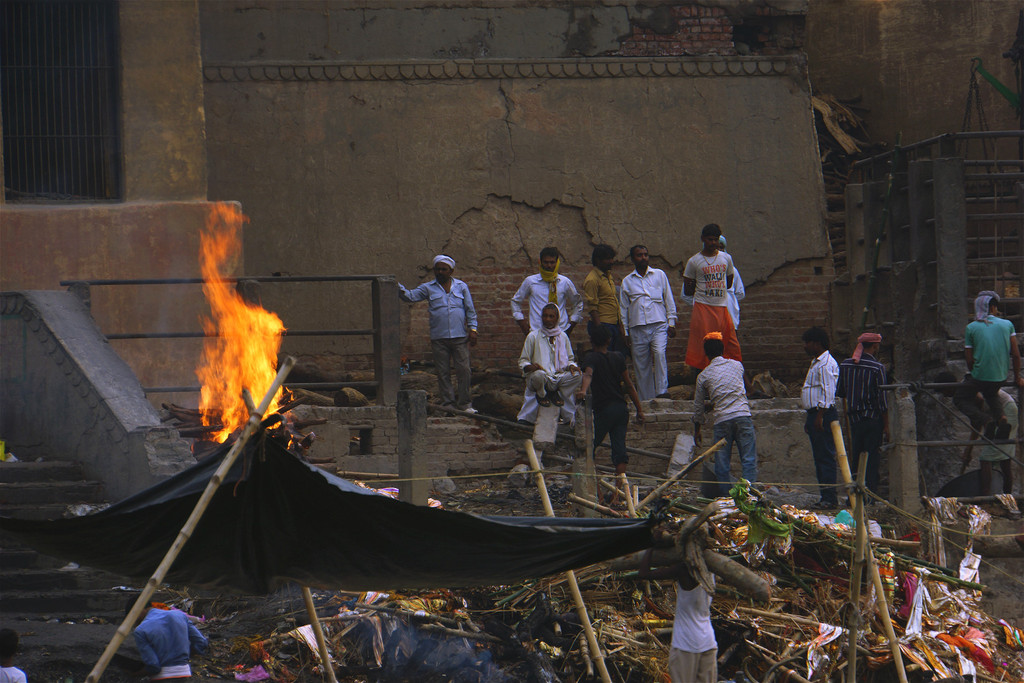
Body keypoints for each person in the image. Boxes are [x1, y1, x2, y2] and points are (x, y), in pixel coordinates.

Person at [399, 254, 479, 413]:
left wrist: (473, 329)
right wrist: (396, 287)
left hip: (459, 337)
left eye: (444, 269)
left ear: (451, 271)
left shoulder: (461, 286)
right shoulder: (428, 288)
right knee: (443, 372)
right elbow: (410, 296)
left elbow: (470, 310)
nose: (440, 272)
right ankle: (448, 403)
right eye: (438, 269)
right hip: (439, 338)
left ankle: (464, 403)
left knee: (464, 370)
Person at [576, 325, 645, 499]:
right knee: (619, 451)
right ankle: (617, 495)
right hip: (621, 410)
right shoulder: (618, 357)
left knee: (589, 450)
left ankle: (597, 492)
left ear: (592, 341)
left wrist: (583, 391)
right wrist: (640, 409)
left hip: (604, 410)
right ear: (609, 340)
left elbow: (588, 375)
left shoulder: (591, 358)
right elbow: (629, 385)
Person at [692, 332, 758, 495]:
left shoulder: (703, 376)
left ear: (706, 354)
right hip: (742, 416)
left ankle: (726, 499)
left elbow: (698, 407)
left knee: (722, 464)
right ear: (723, 350)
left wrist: (697, 430)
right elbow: (746, 389)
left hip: (722, 420)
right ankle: (749, 497)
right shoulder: (737, 365)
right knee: (748, 460)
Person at [638, 548, 717, 683]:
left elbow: (644, 573)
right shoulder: (711, 569)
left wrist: (650, 548)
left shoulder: (684, 570)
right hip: (708, 641)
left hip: (686, 643)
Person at [958, 290, 1024, 438]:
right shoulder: (1008, 324)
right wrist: (1017, 377)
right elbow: (1016, 354)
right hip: (1000, 376)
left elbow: (969, 359)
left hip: (980, 377)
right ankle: (1002, 419)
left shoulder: (971, 328)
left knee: (960, 398)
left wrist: (973, 372)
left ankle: (985, 420)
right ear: (993, 308)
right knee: (991, 393)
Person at [619, 244, 677, 400]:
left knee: (659, 354)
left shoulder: (659, 275)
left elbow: (668, 299)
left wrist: (671, 322)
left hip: (659, 324)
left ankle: (662, 391)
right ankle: (647, 399)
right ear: (633, 259)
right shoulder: (627, 281)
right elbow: (623, 309)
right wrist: (624, 331)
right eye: (639, 255)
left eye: (645, 254)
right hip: (637, 328)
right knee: (641, 364)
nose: (643, 257)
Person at [682, 224, 742, 370]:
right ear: (703, 239)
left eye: (716, 240)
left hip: (722, 308)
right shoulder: (694, 261)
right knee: (704, 349)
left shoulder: (726, 259)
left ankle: (731, 379)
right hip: (703, 309)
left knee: (730, 346)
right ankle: (704, 383)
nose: (713, 243)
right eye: (710, 239)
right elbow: (688, 290)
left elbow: (728, 283)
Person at [836, 332, 889, 498]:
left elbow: (841, 392)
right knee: (871, 460)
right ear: (875, 346)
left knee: (855, 458)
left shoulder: (845, 365)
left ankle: (853, 497)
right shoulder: (877, 368)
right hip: (872, 420)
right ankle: (869, 497)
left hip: (854, 419)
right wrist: (887, 425)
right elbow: (882, 402)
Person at [517, 303, 582, 424]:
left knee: (577, 375)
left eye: (551, 316)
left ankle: (558, 400)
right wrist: (530, 367)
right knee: (538, 375)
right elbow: (523, 361)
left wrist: (572, 366)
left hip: (557, 377)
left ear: (557, 319)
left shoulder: (563, 337)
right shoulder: (533, 336)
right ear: (541, 318)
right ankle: (542, 395)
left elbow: (570, 359)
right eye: (545, 316)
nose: (548, 319)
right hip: (541, 378)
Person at [801, 327, 839, 509]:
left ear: (817, 343)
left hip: (821, 413)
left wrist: (820, 417)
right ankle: (825, 495)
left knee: (825, 457)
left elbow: (828, 392)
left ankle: (830, 498)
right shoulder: (816, 363)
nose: (806, 346)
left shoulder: (825, 364)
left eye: (808, 343)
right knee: (820, 456)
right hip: (814, 413)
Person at [511, 246, 583, 336]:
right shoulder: (530, 282)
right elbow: (515, 302)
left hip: (560, 332)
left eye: (552, 262)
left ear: (557, 263)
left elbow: (578, 303)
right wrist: (523, 325)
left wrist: (571, 326)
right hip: (537, 333)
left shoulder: (565, 282)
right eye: (546, 262)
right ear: (540, 262)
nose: (549, 266)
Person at [131, 603, 208, 680]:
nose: (135, 623)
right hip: (184, 673)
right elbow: (201, 642)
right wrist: (183, 656)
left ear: (138, 611)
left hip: (161, 677)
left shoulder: (141, 630)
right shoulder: (180, 616)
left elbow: (154, 666)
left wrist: (135, 674)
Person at [582, 244, 626, 353]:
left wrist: (620, 325)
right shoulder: (592, 279)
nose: (611, 261)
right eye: (608, 259)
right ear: (598, 260)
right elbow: (593, 307)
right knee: (605, 360)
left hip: (613, 324)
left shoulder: (607, 275)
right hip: (603, 325)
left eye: (612, 258)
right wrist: (601, 331)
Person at [718, 235, 745, 330]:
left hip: (730, 318)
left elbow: (740, 293)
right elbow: (686, 295)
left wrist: (729, 299)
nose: (718, 250)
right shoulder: (700, 269)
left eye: (721, 247)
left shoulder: (732, 270)